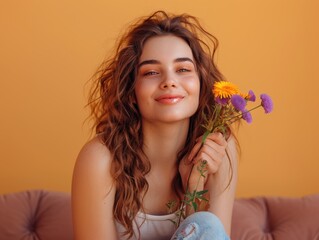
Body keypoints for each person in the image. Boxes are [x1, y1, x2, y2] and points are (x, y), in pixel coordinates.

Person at [71, 10, 238, 240]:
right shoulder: (100, 160)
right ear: (131, 90)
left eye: (183, 70)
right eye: (151, 72)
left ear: (201, 82)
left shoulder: (219, 149)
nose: (169, 81)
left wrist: (194, 189)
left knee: (207, 223)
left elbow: (211, 235)